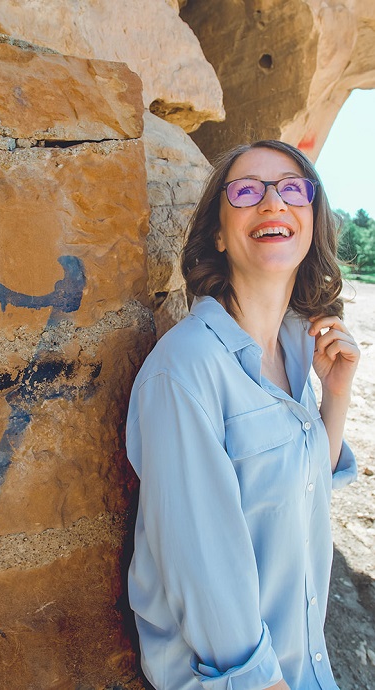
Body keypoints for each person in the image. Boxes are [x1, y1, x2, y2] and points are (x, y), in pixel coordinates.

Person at [126, 140, 360, 690]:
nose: (273, 203)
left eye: (292, 189)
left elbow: (304, 496)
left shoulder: (295, 354)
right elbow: (205, 569)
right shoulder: (186, 368)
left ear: (312, 220)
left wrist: (337, 396)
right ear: (217, 233)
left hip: (307, 669)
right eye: (247, 190)